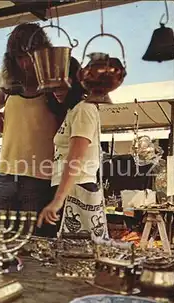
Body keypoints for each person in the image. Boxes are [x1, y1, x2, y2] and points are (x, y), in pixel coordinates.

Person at [0, 23, 64, 237]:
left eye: (29, 56)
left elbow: (64, 128)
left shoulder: (53, 87)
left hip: (39, 178)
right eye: (19, 58)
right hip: (5, 175)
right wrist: (8, 130)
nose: (24, 63)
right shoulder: (9, 88)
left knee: (33, 244)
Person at [37, 58, 102, 232]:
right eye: (53, 88)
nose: (56, 92)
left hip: (76, 188)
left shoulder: (84, 108)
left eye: (61, 86)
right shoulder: (72, 111)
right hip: (68, 189)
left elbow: (76, 157)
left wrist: (58, 200)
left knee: (72, 251)